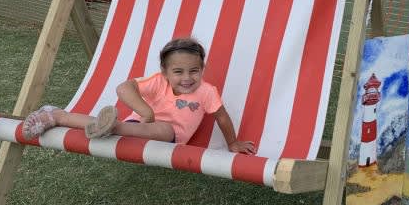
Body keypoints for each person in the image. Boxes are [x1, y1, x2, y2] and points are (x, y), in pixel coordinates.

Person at [22, 37, 256, 154]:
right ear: (165, 72)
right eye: (178, 72)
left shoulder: (207, 92)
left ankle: (59, 116)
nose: (187, 78)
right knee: (123, 128)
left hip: (168, 134)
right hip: (139, 124)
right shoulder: (158, 80)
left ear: (202, 69)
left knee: (159, 129)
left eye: (194, 71)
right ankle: (56, 117)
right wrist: (146, 111)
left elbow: (222, 117)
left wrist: (233, 143)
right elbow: (124, 88)